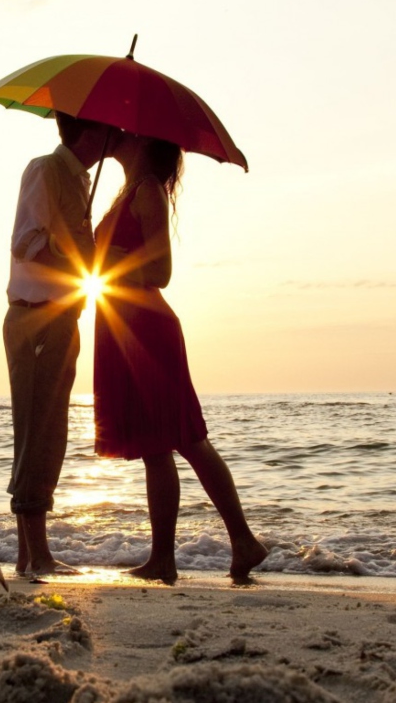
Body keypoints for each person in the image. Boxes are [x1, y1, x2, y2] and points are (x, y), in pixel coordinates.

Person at [93, 132, 268, 585]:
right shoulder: (128, 190)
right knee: (156, 447)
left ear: (141, 140)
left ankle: (241, 541)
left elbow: (161, 272)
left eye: (125, 131)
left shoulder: (148, 189)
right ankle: (165, 559)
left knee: (186, 438)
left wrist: (110, 258)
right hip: (123, 325)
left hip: (146, 327)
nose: (115, 134)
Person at [4, 112, 111, 577]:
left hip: (61, 317)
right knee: (37, 432)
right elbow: (26, 241)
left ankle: (31, 556)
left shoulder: (80, 181)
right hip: (36, 316)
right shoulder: (46, 169)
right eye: (109, 128)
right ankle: (36, 555)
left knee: (52, 433)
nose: (116, 135)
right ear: (88, 130)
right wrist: (76, 260)